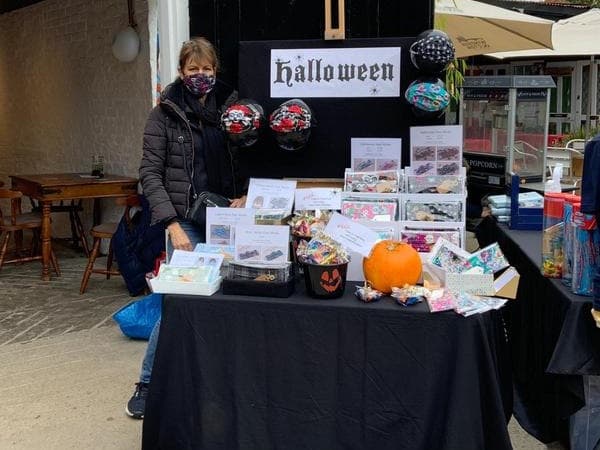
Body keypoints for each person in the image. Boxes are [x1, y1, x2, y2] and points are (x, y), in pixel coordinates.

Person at [126, 37, 247, 419]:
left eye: (206, 69)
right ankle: (147, 382)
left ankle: (215, 383)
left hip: (227, 217)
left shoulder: (232, 107)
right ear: (181, 72)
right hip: (186, 223)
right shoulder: (163, 113)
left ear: (216, 71)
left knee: (231, 300)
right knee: (178, 304)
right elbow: (150, 173)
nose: (200, 76)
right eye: (193, 70)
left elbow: (248, 154)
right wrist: (172, 225)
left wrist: (247, 194)